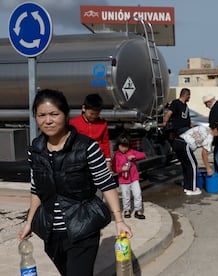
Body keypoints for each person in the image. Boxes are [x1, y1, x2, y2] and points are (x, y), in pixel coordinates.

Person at [18, 89, 132, 276]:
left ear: (65, 115)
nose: (48, 120)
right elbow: (36, 189)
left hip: (83, 227)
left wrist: (119, 220)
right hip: (51, 232)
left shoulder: (87, 147)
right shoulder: (35, 150)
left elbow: (106, 183)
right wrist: (29, 221)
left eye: (54, 114)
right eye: (42, 115)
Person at [173, 122, 218, 195]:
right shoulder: (210, 136)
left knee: (186, 165)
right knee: (193, 165)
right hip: (185, 144)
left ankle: (187, 187)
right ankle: (192, 189)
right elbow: (204, 153)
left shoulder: (203, 127)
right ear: (215, 130)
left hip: (177, 141)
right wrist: (208, 168)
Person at [70, 93, 112, 170]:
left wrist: (108, 160)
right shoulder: (73, 123)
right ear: (84, 108)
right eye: (91, 113)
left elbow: (105, 142)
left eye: (97, 114)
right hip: (80, 159)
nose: (94, 116)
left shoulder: (103, 123)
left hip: (98, 158)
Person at [112, 133, 146, 219]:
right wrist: (121, 169)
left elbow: (143, 155)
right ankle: (126, 210)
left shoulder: (131, 151)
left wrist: (134, 157)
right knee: (125, 196)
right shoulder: (116, 155)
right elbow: (114, 168)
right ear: (118, 145)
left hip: (134, 178)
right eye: (122, 146)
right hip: (123, 180)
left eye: (126, 146)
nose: (124, 149)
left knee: (137, 194)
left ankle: (138, 210)